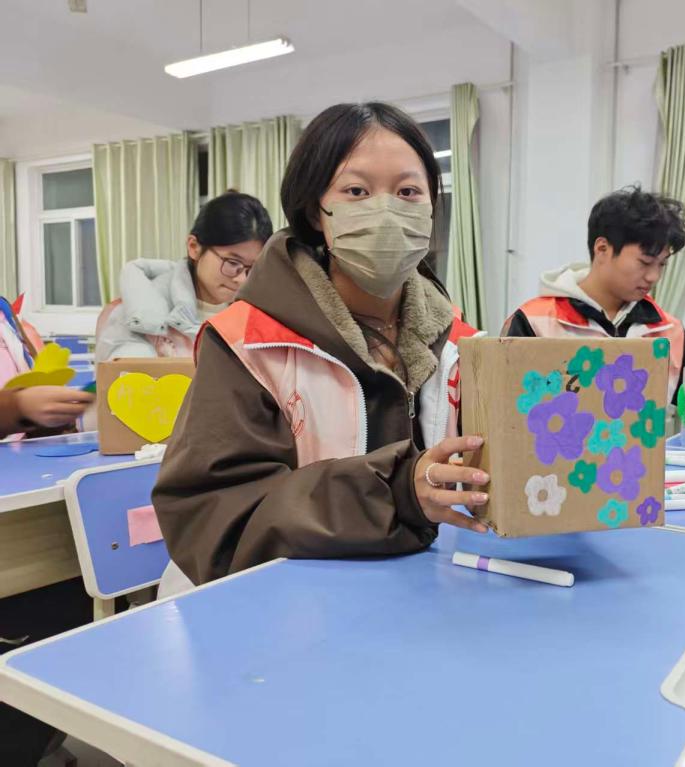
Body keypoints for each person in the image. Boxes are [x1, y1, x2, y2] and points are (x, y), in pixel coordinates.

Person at [152, 103, 487, 590]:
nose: (386, 211)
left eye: (408, 192)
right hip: (271, 606)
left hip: (417, 595)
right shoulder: (247, 344)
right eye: (357, 191)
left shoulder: (461, 345)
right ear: (316, 210)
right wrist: (394, 493)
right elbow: (213, 516)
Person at [503, 186, 685, 431]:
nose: (654, 277)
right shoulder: (537, 322)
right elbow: (503, 408)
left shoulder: (663, 329)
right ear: (602, 249)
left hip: (637, 474)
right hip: (553, 475)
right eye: (644, 262)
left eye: (662, 265)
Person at [95, 191, 273, 361]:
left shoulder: (258, 315)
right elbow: (120, 378)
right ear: (194, 247)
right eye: (233, 263)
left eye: (252, 269)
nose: (241, 280)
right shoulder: (138, 314)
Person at [0, 299, 93, 439]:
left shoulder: (5, 314)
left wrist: (53, 417)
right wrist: (19, 406)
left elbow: (28, 370)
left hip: (23, 446)